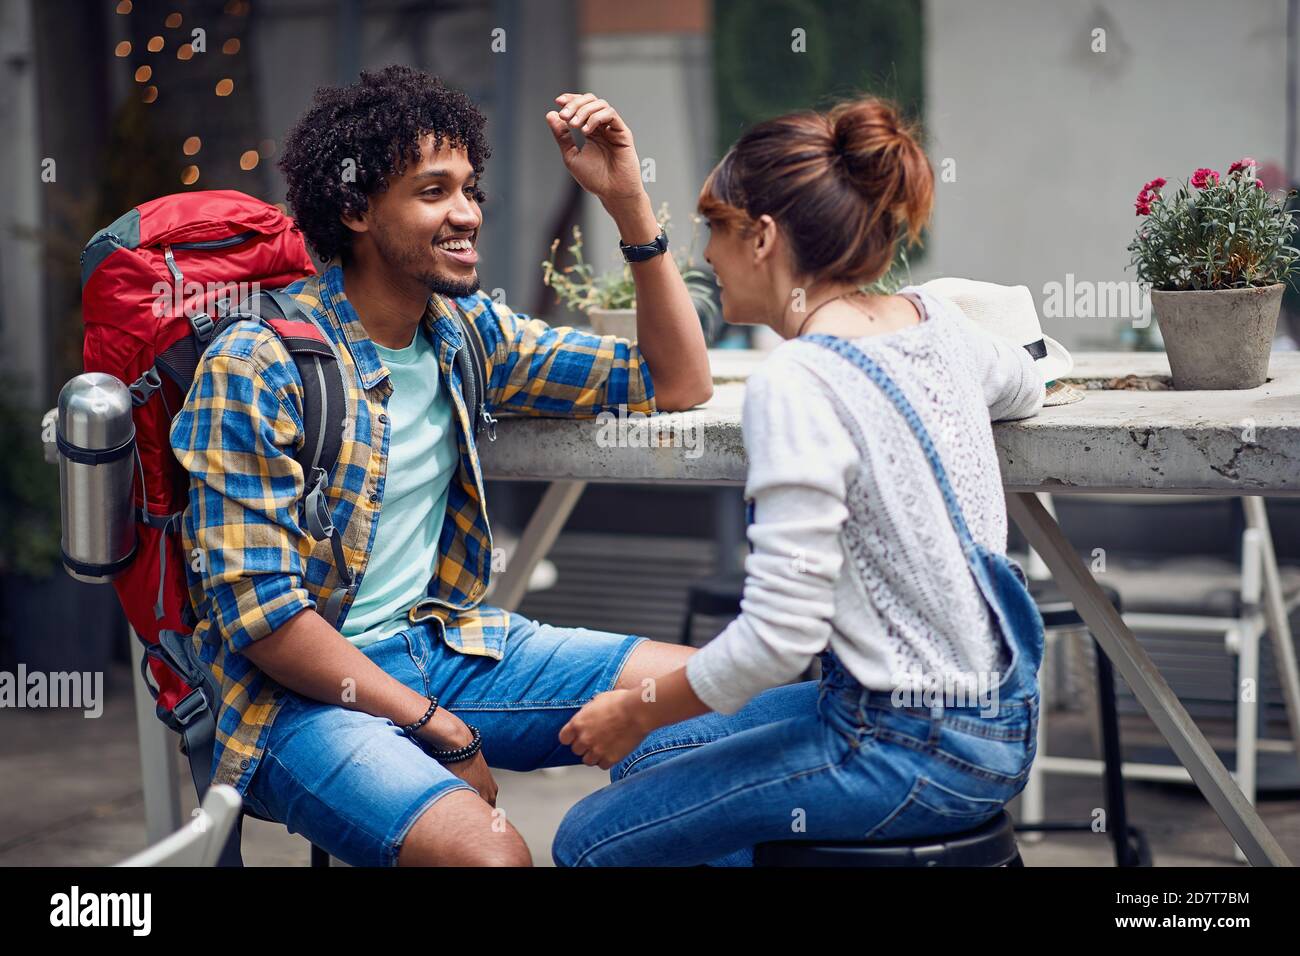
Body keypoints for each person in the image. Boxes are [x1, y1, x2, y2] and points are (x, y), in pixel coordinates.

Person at [168, 65, 720, 866]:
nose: (466, 214)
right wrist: (437, 727)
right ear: (356, 209)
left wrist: (627, 203)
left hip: (441, 645)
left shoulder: (464, 332)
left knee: (707, 695)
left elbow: (677, 382)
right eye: (433, 192)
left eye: (470, 189)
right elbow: (263, 619)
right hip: (295, 699)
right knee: (492, 855)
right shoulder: (259, 365)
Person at [551, 95, 1047, 866]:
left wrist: (635, 707)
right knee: (653, 760)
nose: (707, 256)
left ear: (763, 237)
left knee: (588, 841)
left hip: (902, 750)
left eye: (715, 228)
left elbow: (779, 637)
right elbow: (1030, 379)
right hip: (998, 723)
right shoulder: (942, 327)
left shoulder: (800, 381)